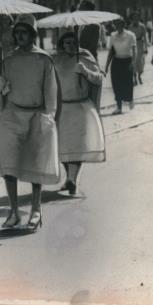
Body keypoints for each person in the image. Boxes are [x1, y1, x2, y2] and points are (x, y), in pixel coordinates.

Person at [0, 14, 60, 232]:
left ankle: (35, 210)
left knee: (35, 165)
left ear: (32, 34)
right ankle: (14, 212)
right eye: (17, 32)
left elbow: (50, 93)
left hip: (36, 115)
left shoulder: (44, 60)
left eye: (24, 32)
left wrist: (47, 117)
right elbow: (3, 93)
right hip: (12, 115)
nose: (19, 36)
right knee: (9, 163)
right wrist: (2, 86)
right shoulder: (8, 60)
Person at [52, 31, 105, 196]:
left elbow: (98, 78)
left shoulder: (84, 56)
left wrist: (85, 72)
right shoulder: (56, 59)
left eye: (73, 42)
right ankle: (70, 178)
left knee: (77, 145)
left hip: (80, 107)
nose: (70, 46)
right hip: (62, 107)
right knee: (63, 146)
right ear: (61, 45)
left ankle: (72, 179)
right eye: (66, 43)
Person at [104, 17, 138, 114]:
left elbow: (134, 50)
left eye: (120, 24)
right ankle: (119, 107)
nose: (118, 26)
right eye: (116, 24)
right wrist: (106, 66)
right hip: (116, 62)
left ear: (124, 25)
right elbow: (111, 52)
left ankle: (130, 99)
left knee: (128, 82)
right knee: (116, 84)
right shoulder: (112, 36)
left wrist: (134, 62)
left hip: (127, 61)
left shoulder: (131, 35)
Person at [131, 12, 149, 85]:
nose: (135, 19)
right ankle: (134, 78)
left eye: (137, 17)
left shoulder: (142, 26)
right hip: (132, 46)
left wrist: (146, 47)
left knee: (141, 62)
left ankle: (139, 76)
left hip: (140, 44)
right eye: (134, 17)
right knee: (133, 62)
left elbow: (145, 37)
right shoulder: (130, 27)